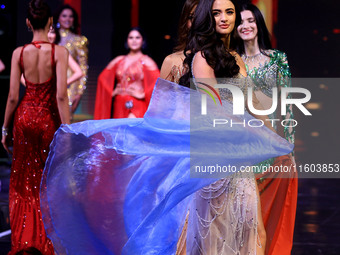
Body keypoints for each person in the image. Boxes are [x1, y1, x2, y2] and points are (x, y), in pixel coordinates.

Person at [39, 1, 293, 254]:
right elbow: (206, 111)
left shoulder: (235, 58)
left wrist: (275, 138)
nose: (224, 18)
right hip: (209, 156)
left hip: (236, 158)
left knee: (252, 232)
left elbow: (252, 104)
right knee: (213, 236)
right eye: (216, 13)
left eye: (229, 12)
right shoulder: (195, 59)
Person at [1, 0, 70, 253]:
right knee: (46, 180)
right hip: (47, 120)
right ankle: (45, 241)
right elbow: (61, 96)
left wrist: (4, 129)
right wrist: (68, 132)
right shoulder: (59, 52)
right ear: (51, 22)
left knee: (22, 182)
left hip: (23, 119)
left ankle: (24, 242)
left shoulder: (19, 53)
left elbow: (11, 97)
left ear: (28, 23)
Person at [236, 3, 297, 254]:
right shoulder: (233, 61)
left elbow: (287, 105)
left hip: (270, 139)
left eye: (250, 20)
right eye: (240, 22)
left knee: (269, 205)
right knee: (245, 208)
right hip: (241, 139)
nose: (245, 26)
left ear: (258, 23)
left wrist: (289, 145)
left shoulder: (277, 59)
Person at [94, 27, 159, 119]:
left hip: (137, 103)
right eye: (131, 38)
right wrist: (111, 92)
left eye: (137, 37)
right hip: (119, 103)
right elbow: (102, 78)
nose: (134, 41)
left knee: (132, 131)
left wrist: (144, 94)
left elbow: (159, 83)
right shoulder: (119, 60)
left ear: (143, 41)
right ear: (127, 41)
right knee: (119, 132)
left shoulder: (147, 61)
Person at [55, 4, 88, 114]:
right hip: (52, 81)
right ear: (58, 18)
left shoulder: (79, 40)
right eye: (64, 16)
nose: (67, 19)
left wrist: (79, 92)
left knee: (65, 119)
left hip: (70, 84)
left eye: (70, 16)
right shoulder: (50, 37)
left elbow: (83, 66)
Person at [160, 0, 199, 83]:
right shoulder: (171, 61)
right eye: (191, 17)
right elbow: (163, 95)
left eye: (202, 17)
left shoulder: (226, 61)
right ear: (185, 21)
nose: (197, 23)